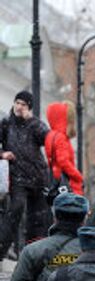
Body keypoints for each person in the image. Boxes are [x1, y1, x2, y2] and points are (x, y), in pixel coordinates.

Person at [0, 91, 50, 259]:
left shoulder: (34, 124)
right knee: (16, 209)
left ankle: (34, 253)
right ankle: (2, 249)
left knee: (38, 218)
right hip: (17, 177)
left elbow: (47, 138)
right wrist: (2, 153)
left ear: (29, 108)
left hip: (38, 176)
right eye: (17, 103)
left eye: (23, 104)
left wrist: (31, 120)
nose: (19, 107)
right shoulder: (6, 124)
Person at [44, 100, 84, 196]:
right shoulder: (61, 137)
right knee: (73, 206)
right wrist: (78, 176)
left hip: (56, 181)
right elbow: (63, 161)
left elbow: (52, 160)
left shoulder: (50, 135)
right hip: (68, 183)